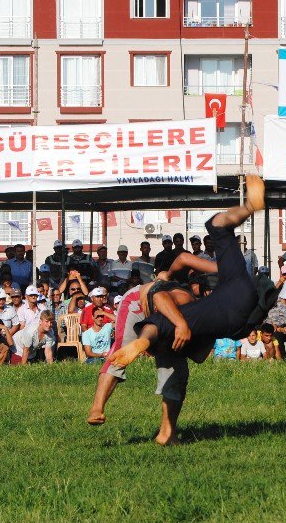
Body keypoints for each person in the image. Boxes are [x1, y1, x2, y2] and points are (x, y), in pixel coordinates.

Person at [88, 176, 266, 445]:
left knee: (175, 367)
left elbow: (200, 352)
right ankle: (102, 407)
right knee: (137, 346)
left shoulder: (199, 299)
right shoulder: (186, 294)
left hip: (164, 306)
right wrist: (222, 271)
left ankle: (163, 432)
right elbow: (163, 291)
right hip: (140, 301)